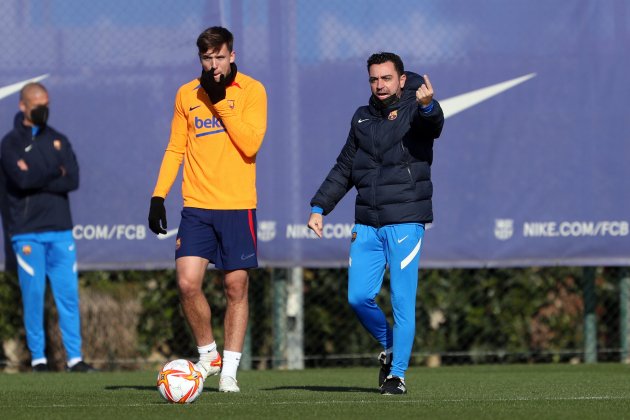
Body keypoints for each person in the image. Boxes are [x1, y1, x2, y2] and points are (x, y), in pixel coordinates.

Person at [307, 52, 444, 395]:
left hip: (405, 221)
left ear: (400, 79)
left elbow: (433, 125)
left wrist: (428, 107)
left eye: (386, 78)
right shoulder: (361, 119)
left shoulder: (417, 107)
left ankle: (397, 375)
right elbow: (344, 168)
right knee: (357, 297)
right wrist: (319, 207)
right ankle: (392, 346)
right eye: (374, 79)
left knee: (401, 300)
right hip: (366, 221)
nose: (380, 85)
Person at [148, 26, 267, 393]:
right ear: (200, 58)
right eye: (207, 58)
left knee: (235, 286)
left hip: (237, 205)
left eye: (219, 56)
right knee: (187, 283)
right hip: (197, 205)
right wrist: (158, 196)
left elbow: (250, 144)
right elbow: (175, 149)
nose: (213, 64)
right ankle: (209, 354)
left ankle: (229, 370)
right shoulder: (187, 94)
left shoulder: (252, 90)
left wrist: (220, 102)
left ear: (232, 55)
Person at [0, 82, 95, 373]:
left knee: (67, 295)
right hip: (27, 232)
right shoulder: (10, 143)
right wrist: (55, 170)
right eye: (38, 105)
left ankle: (75, 359)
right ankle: (39, 359)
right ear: (23, 106)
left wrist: (39, 172)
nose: (44, 110)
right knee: (33, 294)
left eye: (47, 104)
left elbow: (73, 179)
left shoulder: (59, 140)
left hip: (60, 230)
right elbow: (21, 180)